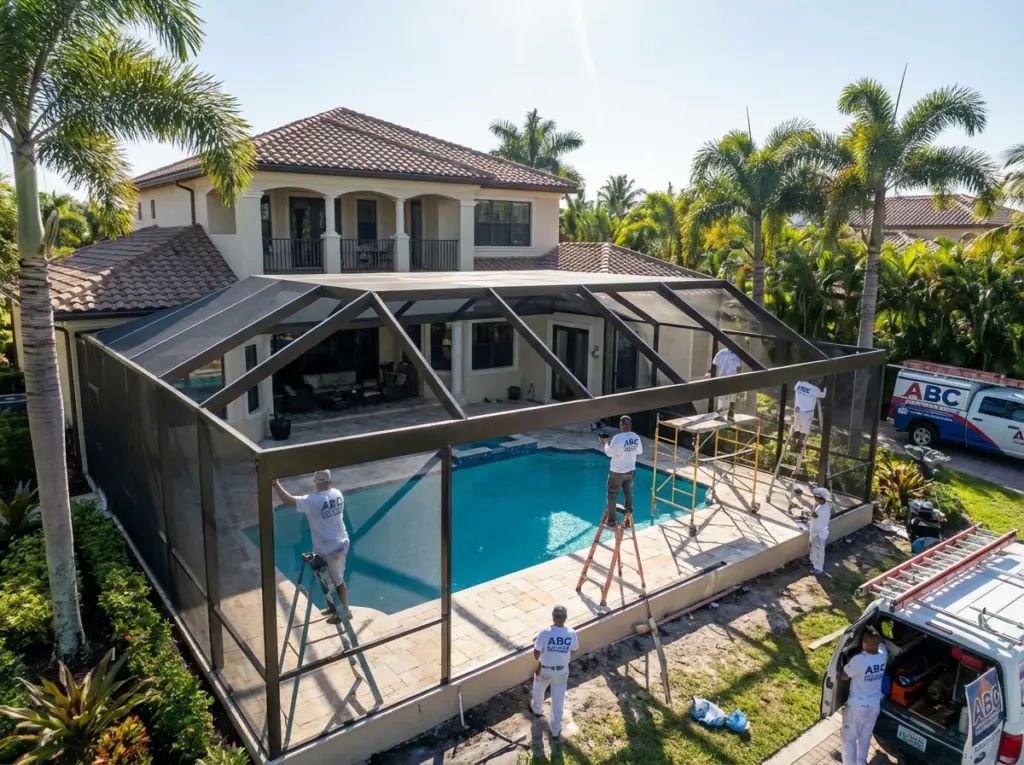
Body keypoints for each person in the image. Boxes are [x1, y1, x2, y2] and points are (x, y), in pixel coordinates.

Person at [272, 470, 352, 624]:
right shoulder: (337, 494)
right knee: (325, 578)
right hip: (335, 544)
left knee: (337, 581)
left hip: (332, 548)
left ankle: (345, 612)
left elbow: (287, 500)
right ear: (329, 481)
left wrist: (276, 484)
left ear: (315, 482)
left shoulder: (313, 501)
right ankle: (332, 607)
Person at [840, 626, 888, 765]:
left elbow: (844, 676)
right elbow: (881, 644)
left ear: (864, 644)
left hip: (857, 706)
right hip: (874, 706)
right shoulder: (883, 655)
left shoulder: (859, 660)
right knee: (865, 737)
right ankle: (861, 762)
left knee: (849, 738)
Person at [532, 605, 579, 739]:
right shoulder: (571, 633)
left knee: (538, 688)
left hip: (545, 669)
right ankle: (555, 730)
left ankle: (537, 711)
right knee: (558, 701)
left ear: (553, 617)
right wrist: (560, 654)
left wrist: (542, 660)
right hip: (561, 671)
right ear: (565, 618)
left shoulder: (544, 632)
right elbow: (573, 649)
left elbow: (536, 653)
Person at [600, 415, 642, 522]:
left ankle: (612, 520)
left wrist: (605, 444)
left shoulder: (618, 438)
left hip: (617, 471)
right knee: (628, 494)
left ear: (621, 425)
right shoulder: (635, 437)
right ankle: (628, 520)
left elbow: (609, 453)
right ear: (630, 425)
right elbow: (639, 451)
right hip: (630, 470)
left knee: (612, 494)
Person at [705, 347, 743, 421]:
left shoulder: (737, 355)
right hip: (722, 377)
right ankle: (720, 414)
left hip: (733, 378)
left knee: (732, 396)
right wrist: (710, 373)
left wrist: (739, 378)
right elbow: (714, 364)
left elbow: (740, 367)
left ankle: (730, 414)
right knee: (721, 397)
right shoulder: (722, 353)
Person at [791, 379, 827, 446]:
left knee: (801, 427)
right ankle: (824, 380)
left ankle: (825, 380)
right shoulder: (802, 385)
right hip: (801, 411)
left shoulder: (799, 384)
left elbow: (823, 395)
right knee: (799, 426)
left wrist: (825, 388)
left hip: (804, 411)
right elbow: (822, 394)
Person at [808, 487, 831, 575]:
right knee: (815, 549)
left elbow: (814, 515)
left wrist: (815, 506)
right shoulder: (825, 505)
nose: (815, 499)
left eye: (816, 498)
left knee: (818, 551)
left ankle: (818, 568)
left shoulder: (821, 509)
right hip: (818, 531)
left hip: (818, 533)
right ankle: (814, 563)